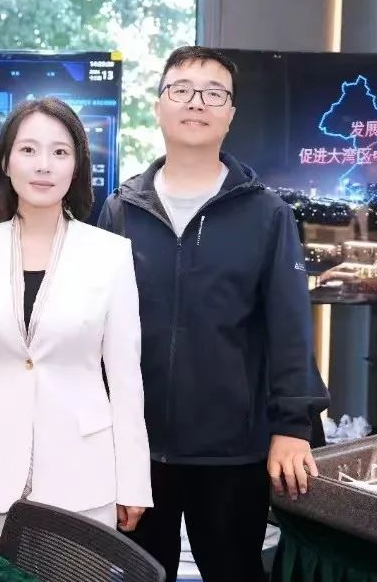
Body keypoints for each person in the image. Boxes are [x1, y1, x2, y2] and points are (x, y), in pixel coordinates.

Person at [98, 46, 330, 582]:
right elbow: (97, 329)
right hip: (136, 447)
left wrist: (292, 425)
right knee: (138, 576)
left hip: (234, 451)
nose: (196, 102)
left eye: (213, 93)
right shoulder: (121, 209)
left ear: (230, 115)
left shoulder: (266, 213)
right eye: (181, 89)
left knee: (235, 572)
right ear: (159, 107)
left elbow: (289, 326)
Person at [0, 96, 152, 552]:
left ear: (76, 167)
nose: (44, 165)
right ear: (6, 161)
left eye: (60, 152)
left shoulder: (109, 254)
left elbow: (125, 378)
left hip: (85, 478)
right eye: (28, 149)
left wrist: (134, 480)